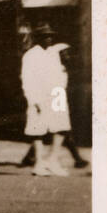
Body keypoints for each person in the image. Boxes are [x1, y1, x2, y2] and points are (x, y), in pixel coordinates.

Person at [20, 23, 70, 176]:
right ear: (38, 39)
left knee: (61, 127)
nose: (49, 39)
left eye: (50, 36)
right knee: (38, 129)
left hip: (56, 94)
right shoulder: (30, 55)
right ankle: (39, 163)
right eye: (45, 36)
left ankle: (53, 161)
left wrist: (61, 88)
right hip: (40, 95)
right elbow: (27, 79)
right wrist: (34, 99)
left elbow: (59, 73)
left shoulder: (53, 53)